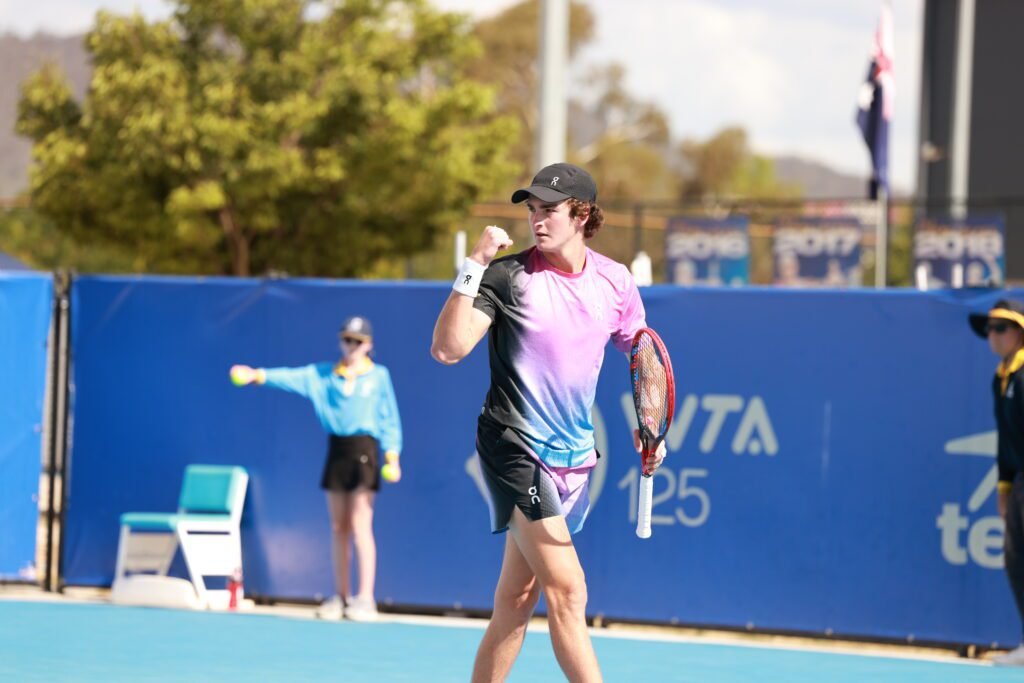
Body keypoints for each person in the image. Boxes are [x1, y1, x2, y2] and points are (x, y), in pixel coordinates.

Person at [431, 163, 667, 682]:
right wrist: (473, 264)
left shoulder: (615, 282)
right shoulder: (507, 276)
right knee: (569, 588)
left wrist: (649, 423)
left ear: (581, 215)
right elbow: (448, 349)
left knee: (516, 600)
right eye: (532, 209)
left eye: (549, 209)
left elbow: (641, 353)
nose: (537, 219)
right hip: (513, 444)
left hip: (574, 459)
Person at [230, 316, 402, 622]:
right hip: (337, 450)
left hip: (366, 450)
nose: (351, 346)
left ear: (369, 346)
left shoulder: (379, 377)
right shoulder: (322, 375)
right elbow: (291, 377)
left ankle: (365, 599)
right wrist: (256, 375)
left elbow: (389, 417)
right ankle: (340, 597)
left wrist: (392, 455)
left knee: (361, 525)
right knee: (339, 527)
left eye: (358, 341)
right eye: (347, 340)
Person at [969, 300, 1024, 666]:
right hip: (1021, 481)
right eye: (989, 329)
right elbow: (1006, 440)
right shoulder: (1000, 377)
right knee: (1015, 558)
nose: (994, 335)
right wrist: (1005, 487)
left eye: (1001, 327)